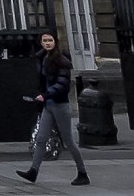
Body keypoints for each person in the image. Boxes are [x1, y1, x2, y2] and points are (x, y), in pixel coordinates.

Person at [17, 31, 89, 185]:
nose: (48, 43)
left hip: (59, 104)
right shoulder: (42, 58)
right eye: (45, 40)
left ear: (55, 42)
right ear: (41, 42)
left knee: (69, 141)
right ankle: (33, 171)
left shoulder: (61, 60)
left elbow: (62, 85)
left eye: (50, 40)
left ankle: (82, 172)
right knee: (41, 139)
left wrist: (46, 94)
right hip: (48, 105)